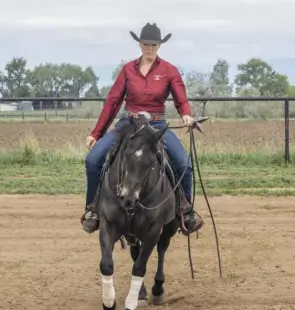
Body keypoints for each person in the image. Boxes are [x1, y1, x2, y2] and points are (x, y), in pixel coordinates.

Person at [81, 22, 204, 235]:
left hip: (156, 125)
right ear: (139, 44)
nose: (150, 48)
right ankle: (93, 208)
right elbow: (112, 102)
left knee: (183, 163)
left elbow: (180, 98)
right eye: (146, 44)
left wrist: (186, 114)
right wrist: (96, 133)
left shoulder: (169, 70)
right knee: (93, 160)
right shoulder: (128, 70)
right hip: (128, 124)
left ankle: (185, 210)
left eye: (154, 44)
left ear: (160, 46)